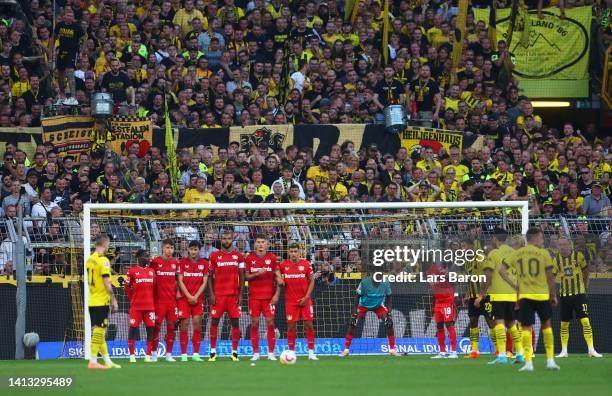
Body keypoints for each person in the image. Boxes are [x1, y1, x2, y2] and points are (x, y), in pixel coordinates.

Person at [507, 227, 559, 372]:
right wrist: (553, 295)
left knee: (525, 328)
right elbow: (550, 276)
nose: (542, 240)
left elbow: (501, 269)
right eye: (541, 237)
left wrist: (514, 285)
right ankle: (550, 361)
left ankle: (528, 362)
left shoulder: (518, 254)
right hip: (542, 295)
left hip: (525, 296)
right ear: (535, 238)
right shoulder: (544, 253)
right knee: (546, 326)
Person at [476, 228, 524, 364]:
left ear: (495, 238)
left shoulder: (494, 253)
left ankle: (502, 355)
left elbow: (488, 275)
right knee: (511, 324)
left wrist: (482, 293)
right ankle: (520, 354)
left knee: (499, 323)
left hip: (498, 294)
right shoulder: (514, 253)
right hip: (512, 295)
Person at [553, 237, 602, 358]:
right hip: (564, 296)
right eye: (560, 245)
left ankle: (591, 349)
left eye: (564, 244)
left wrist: (585, 287)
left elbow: (586, 272)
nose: (562, 247)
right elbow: (552, 276)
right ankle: (564, 351)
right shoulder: (556, 259)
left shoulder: (578, 256)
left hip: (579, 294)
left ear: (569, 245)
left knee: (585, 321)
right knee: (564, 324)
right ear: (557, 246)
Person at [339, 275, 401, 357]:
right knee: (352, 323)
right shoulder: (364, 283)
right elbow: (357, 298)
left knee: (389, 323)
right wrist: (354, 314)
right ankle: (346, 350)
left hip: (378, 305)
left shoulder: (386, 283)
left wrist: (389, 314)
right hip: (363, 305)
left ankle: (392, 350)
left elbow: (389, 299)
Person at [208, 231, 246, 362]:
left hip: (233, 296)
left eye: (229, 238)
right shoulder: (214, 256)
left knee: (235, 322)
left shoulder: (238, 256)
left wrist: (241, 295)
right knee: (214, 322)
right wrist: (212, 294)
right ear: (220, 240)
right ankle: (213, 352)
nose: (226, 241)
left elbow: (242, 276)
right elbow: (209, 277)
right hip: (218, 296)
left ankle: (234, 353)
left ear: (232, 240)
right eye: (224, 238)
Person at [86, 234, 120, 369]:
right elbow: (107, 283)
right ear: (106, 244)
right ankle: (93, 361)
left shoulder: (89, 260)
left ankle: (107, 360)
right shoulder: (103, 260)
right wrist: (114, 299)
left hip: (92, 300)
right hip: (101, 301)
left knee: (98, 332)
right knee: (99, 332)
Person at [245, 235, 282, 361]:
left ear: (267, 244)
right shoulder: (249, 258)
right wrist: (257, 273)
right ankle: (255, 353)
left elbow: (278, 277)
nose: (260, 244)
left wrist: (277, 294)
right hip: (254, 297)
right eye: (258, 242)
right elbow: (246, 277)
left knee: (270, 323)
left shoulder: (272, 258)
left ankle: (271, 353)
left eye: (263, 242)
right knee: (254, 323)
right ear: (255, 244)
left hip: (269, 298)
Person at [280, 243, 317, 360]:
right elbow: (275, 274)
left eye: (295, 251)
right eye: (291, 251)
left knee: (309, 325)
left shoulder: (306, 264)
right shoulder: (283, 265)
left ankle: (311, 353)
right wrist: (279, 279)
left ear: (299, 252)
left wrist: (306, 297)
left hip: (305, 300)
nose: (293, 254)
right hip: (291, 302)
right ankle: (291, 352)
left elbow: (312, 281)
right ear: (288, 252)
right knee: (291, 327)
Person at [177, 240, 209, 362]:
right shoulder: (182, 263)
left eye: (196, 249)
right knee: (184, 326)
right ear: (188, 250)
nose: (194, 252)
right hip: (185, 300)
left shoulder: (204, 264)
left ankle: (196, 353)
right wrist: (189, 296)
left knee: (197, 325)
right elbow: (180, 281)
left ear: (199, 250)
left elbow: (205, 282)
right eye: (192, 249)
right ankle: (184, 354)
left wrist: (195, 296)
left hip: (197, 299)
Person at [462, 238, 494, 359]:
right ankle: (474, 351)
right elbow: (471, 280)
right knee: (473, 322)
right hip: (472, 296)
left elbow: (488, 277)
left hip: (485, 296)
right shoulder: (466, 261)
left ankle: (498, 350)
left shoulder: (480, 258)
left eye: (464, 246)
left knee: (491, 322)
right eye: (461, 247)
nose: (462, 249)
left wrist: (481, 296)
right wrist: (467, 294)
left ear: (471, 246)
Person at [149, 239, 179, 362]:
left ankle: (169, 354)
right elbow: (151, 279)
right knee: (156, 327)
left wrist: (177, 293)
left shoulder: (175, 262)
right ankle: (154, 353)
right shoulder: (155, 262)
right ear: (162, 248)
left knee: (171, 327)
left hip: (171, 301)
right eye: (167, 247)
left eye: (171, 248)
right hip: (158, 301)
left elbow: (178, 280)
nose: (169, 250)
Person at [125, 249, 156, 363]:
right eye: (145, 256)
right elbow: (127, 287)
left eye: (148, 256)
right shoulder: (132, 271)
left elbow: (154, 288)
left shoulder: (152, 271)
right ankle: (132, 356)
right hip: (136, 307)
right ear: (139, 257)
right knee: (132, 329)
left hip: (150, 307)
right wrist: (132, 298)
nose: (148, 258)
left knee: (150, 330)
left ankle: (147, 356)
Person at [428, 262, 458, 359]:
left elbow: (453, 282)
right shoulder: (429, 274)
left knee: (449, 325)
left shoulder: (443, 272)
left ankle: (454, 351)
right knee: (439, 326)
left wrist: (447, 275)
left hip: (447, 301)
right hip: (438, 303)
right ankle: (442, 352)